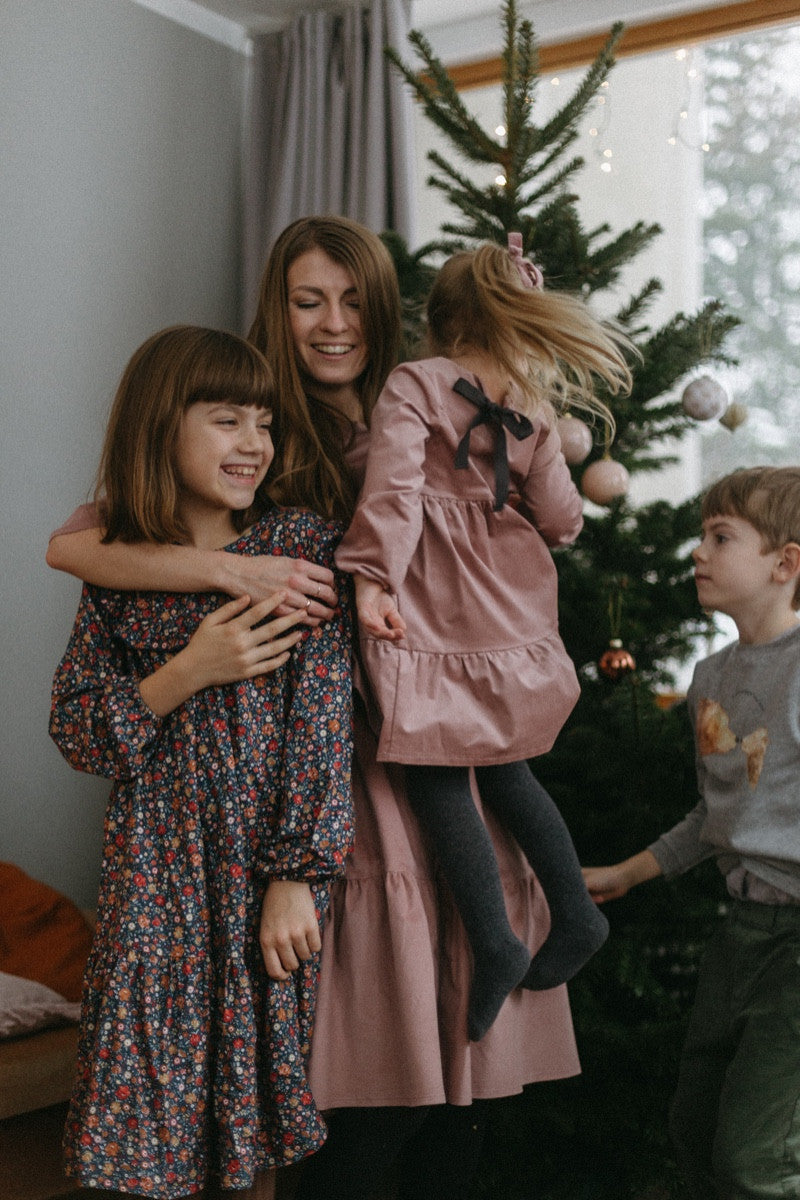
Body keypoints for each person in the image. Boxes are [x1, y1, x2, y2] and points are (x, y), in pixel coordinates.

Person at [47, 217, 589, 1200]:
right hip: (340, 792)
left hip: (445, 764)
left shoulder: (429, 403)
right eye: (307, 301)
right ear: (276, 310)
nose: (332, 323)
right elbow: (83, 541)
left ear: (384, 312)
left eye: (351, 300)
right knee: (373, 1100)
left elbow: (540, 507)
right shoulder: (260, 430)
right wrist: (228, 569)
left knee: (460, 1102)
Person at [48, 325, 354, 1200]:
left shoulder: (298, 549)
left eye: (264, 424)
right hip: (152, 886)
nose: (255, 444)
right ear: (161, 426)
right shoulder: (115, 571)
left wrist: (297, 874)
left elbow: (323, 729)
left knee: (251, 1135)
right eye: (228, 421)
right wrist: (187, 673)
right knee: (142, 1132)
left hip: (263, 886)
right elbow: (77, 732)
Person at [334, 239, 629, 1041]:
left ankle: (496, 940)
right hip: (506, 604)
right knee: (505, 768)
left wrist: (370, 577)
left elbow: (394, 490)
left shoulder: (415, 380)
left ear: (441, 318)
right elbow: (564, 519)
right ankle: (572, 912)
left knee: (431, 769)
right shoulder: (531, 404)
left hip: (432, 601)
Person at [583, 465, 800, 1200]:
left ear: (786, 563)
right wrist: (628, 872)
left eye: (721, 537)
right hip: (738, 933)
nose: (698, 553)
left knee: (755, 1160)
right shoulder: (711, 676)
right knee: (697, 1128)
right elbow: (716, 815)